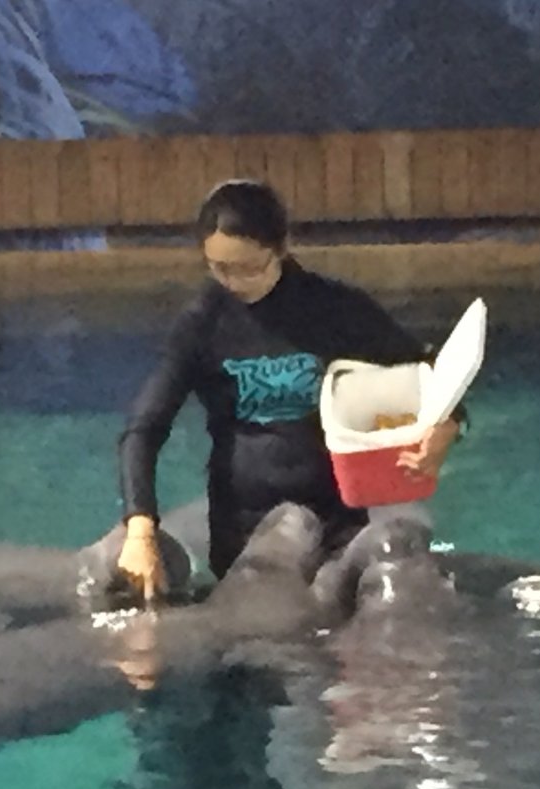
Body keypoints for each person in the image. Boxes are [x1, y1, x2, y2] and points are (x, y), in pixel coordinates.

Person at [116, 178, 463, 601]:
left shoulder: (334, 309)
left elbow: (430, 372)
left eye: (250, 267)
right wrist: (140, 528)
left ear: (282, 248)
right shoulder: (203, 324)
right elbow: (145, 428)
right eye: (219, 268)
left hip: (337, 526)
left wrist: (446, 428)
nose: (235, 282)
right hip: (243, 534)